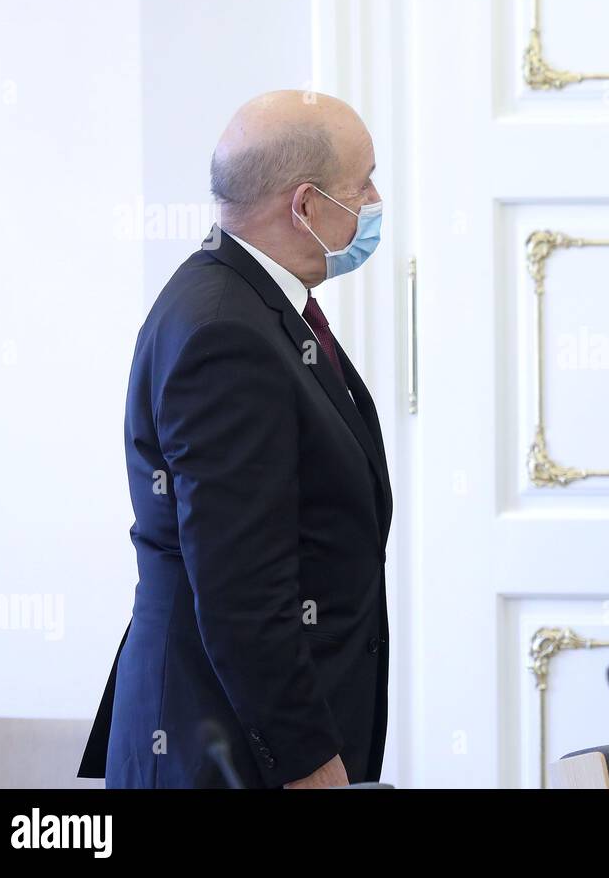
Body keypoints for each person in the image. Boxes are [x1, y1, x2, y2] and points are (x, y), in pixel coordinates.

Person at [78, 91, 393, 788]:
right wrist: (309, 763)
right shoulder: (226, 332)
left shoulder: (251, 302)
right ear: (306, 206)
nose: (375, 199)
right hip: (228, 751)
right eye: (363, 182)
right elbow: (240, 591)